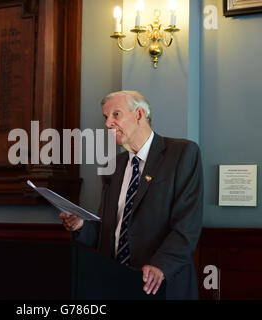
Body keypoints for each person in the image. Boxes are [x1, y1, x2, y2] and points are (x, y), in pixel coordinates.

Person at [60, 91, 203, 300]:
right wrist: (81, 225)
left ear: (139, 115)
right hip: (116, 281)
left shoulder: (182, 153)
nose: (108, 124)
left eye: (116, 114)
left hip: (161, 283)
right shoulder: (114, 166)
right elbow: (108, 231)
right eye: (105, 117)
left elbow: (187, 226)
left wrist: (160, 266)